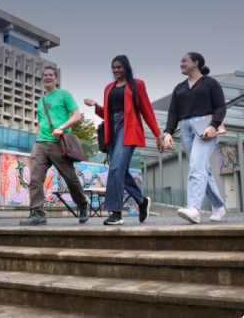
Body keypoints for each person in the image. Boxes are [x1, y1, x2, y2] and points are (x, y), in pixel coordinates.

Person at [84, 55, 164, 225]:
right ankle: (142, 202)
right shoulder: (108, 88)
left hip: (128, 128)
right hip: (111, 127)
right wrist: (97, 107)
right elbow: (108, 112)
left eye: (119, 67)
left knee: (116, 167)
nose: (116, 70)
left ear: (126, 67)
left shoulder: (137, 84)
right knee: (120, 170)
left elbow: (147, 110)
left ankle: (116, 212)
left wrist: (158, 135)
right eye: (113, 67)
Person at [19, 66, 89, 226]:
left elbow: (76, 116)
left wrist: (61, 128)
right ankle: (37, 214)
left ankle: (82, 203)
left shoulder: (64, 94)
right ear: (42, 79)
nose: (48, 77)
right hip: (41, 144)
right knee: (35, 179)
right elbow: (41, 122)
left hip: (60, 143)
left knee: (70, 178)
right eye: (45, 75)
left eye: (51, 75)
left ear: (56, 79)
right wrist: (36, 141)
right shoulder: (40, 101)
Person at [164, 52, 226, 224]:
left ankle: (194, 209)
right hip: (185, 128)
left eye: (184, 61)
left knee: (196, 165)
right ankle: (218, 205)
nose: (181, 64)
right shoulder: (179, 87)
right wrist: (168, 132)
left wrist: (213, 126)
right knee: (202, 169)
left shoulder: (211, 83)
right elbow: (173, 112)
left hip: (206, 127)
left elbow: (221, 107)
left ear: (196, 63)